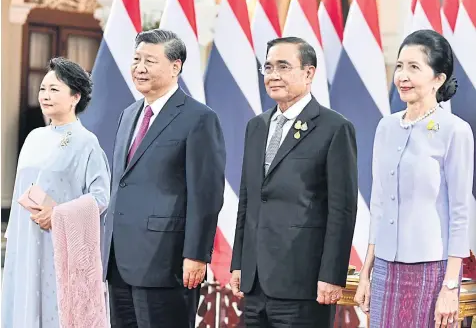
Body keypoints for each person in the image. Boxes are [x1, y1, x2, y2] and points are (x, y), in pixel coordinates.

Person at [230, 36, 358, 327]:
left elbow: (343, 210)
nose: (273, 75)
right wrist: (239, 262)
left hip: (305, 283)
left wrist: (332, 275)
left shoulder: (334, 128)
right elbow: (248, 201)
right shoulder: (256, 126)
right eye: (268, 67)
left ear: (309, 73)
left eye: (283, 67)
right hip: (255, 283)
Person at [103, 29, 226, 328]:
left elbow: (206, 194)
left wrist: (196, 255)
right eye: (136, 59)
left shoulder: (199, 118)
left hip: (166, 263)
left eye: (150, 60)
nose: (140, 67)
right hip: (119, 259)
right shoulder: (129, 114)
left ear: (176, 67)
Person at [354, 30, 474, 328]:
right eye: (399, 66)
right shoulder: (386, 126)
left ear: (438, 78)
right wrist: (367, 273)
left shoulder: (455, 130)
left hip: (432, 272)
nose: (402, 76)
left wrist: (450, 287)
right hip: (384, 268)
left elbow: (461, 213)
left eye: (414, 67)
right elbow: (379, 204)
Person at [2, 57, 111, 327]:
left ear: (75, 96)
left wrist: (59, 215)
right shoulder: (33, 137)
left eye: (54, 89)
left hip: (59, 244)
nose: (45, 96)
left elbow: (101, 197)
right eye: (42, 89)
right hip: (25, 241)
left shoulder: (87, 142)